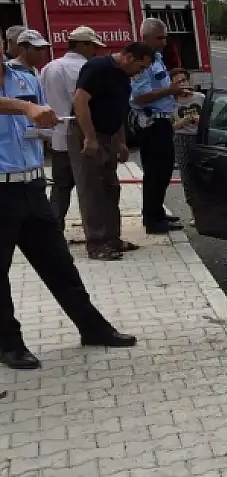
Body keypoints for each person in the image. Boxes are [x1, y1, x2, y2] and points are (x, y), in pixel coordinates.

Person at [0, 57, 137, 370]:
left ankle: (93, 327)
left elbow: (38, 118)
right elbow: (26, 110)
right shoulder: (20, 95)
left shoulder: (23, 78)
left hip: (31, 184)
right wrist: (25, 108)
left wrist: (42, 127)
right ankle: (9, 344)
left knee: (59, 264)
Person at [71, 40, 156, 260]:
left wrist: (120, 142)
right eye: (141, 66)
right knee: (92, 190)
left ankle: (112, 238)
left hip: (109, 136)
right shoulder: (97, 68)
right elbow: (80, 101)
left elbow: (118, 109)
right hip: (89, 134)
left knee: (111, 188)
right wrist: (89, 137)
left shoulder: (123, 76)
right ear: (128, 57)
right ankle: (97, 243)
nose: (140, 72)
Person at [130, 18, 186, 234]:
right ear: (145, 38)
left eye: (165, 37)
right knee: (155, 172)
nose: (164, 42)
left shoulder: (157, 58)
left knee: (163, 172)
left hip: (162, 120)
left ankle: (157, 213)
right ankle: (152, 220)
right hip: (151, 123)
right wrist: (169, 91)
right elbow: (139, 97)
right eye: (160, 38)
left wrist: (173, 92)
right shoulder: (141, 63)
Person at [40, 28, 96, 233]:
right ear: (83, 45)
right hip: (81, 138)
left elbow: (42, 102)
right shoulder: (86, 68)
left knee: (60, 188)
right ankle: (95, 232)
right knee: (88, 189)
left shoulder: (49, 67)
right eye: (93, 46)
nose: (95, 51)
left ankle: (53, 230)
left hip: (57, 138)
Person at [170, 68, 204, 224]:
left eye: (184, 80)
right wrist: (181, 123)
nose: (183, 84)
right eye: (178, 82)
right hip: (182, 140)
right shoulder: (170, 103)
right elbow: (169, 128)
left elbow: (214, 120)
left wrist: (200, 120)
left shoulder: (200, 98)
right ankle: (195, 213)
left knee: (204, 175)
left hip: (201, 139)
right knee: (188, 177)